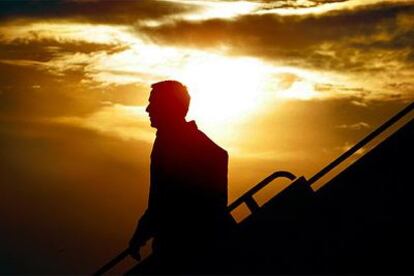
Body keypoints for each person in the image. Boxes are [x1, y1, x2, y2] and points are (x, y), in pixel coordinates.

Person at [128, 80, 231, 274]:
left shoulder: (175, 143)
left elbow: (162, 200)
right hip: (198, 244)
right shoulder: (170, 140)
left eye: (153, 103)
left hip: (188, 250)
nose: (147, 109)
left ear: (168, 107)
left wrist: (140, 235)